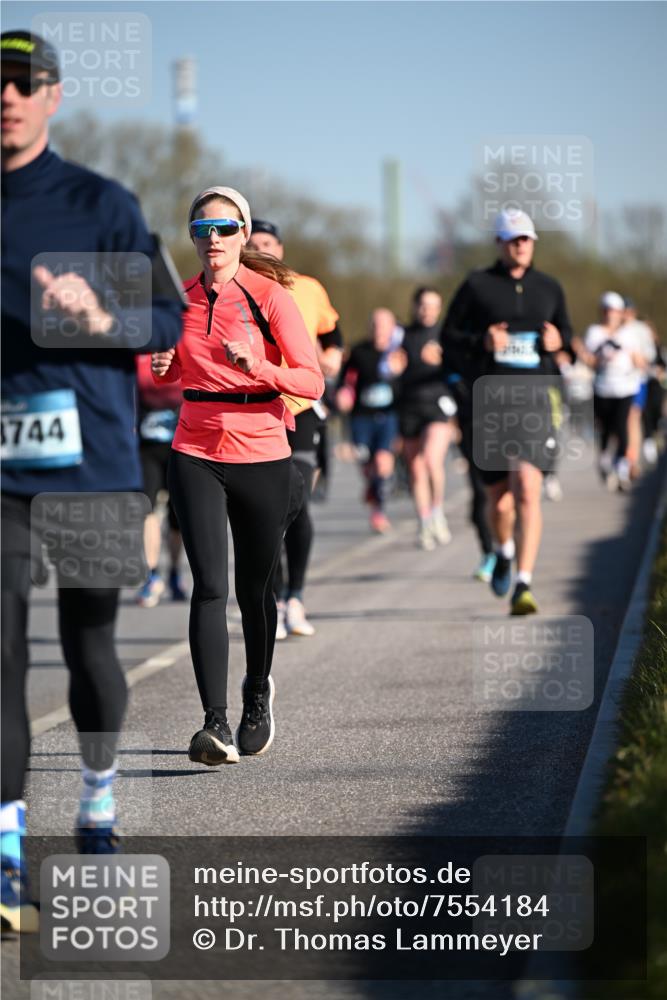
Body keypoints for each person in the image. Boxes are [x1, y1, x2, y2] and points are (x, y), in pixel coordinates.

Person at [1, 31, 183, 931]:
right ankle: (4, 850)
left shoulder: (98, 204)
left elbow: (169, 324)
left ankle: (99, 802)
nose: (8, 95)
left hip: (93, 465)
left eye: (24, 83)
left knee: (88, 648)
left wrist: (100, 311)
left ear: (54, 97)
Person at [151, 187, 323, 766]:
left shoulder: (270, 297)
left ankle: (256, 691)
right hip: (194, 448)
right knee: (209, 585)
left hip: (263, 450)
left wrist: (261, 365)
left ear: (243, 234)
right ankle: (215, 724)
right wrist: (162, 363)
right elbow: (170, 368)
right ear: (193, 239)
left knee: (255, 590)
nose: (214, 240)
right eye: (203, 230)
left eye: (225, 228)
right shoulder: (181, 301)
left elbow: (312, 381)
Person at [441, 208, 573, 615]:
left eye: (528, 239)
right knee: (498, 501)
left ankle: (524, 583)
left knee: (528, 488)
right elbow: (448, 336)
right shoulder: (477, 285)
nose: (522, 246)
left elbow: (567, 336)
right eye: (514, 239)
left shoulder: (549, 287)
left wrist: (557, 343)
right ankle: (502, 550)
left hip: (535, 400)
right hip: (490, 401)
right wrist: (482, 340)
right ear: (499, 243)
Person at [246, 219, 343, 639]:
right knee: (265, 512)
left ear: (281, 248)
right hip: (258, 410)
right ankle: (279, 597)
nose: (261, 250)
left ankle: (297, 597)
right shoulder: (236, 287)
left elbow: (333, 333)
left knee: (294, 499)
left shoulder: (307, 287)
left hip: (301, 406)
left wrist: (333, 356)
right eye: (253, 244)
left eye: (267, 243)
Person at [397, 287, 457, 550]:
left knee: (432, 460)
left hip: (438, 403)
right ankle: (423, 520)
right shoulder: (403, 336)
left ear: (440, 308)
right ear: (415, 306)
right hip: (410, 405)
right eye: (423, 305)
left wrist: (444, 361)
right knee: (416, 468)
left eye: (433, 305)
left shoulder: (447, 335)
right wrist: (392, 366)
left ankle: (437, 512)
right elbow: (391, 366)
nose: (428, 310)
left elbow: (460, 367)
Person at [336, 309, 406, 534]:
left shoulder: (398, 354)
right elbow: (344, 381)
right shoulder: (359, 351)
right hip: (361, 417)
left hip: (388, 416)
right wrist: (343, 394)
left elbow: (408, 386)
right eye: (375, 325)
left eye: (384, 325)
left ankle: (378, 513)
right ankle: (372, 486)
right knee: (367, 466)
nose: (379, 330)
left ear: (392, 328)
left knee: (383, 462)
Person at [578, 291, 648, 491]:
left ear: (620, 313)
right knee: (606, 429)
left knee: (622, 426)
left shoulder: (628, 334)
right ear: (602, 312)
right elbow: (588, 361)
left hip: (625, 387)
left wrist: (638, 362)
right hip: (603, 387)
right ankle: (605, 461)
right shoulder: (594, 332)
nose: (611, 315)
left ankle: (622, 467)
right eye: (607, 310)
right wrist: (600, 357)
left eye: (615, 311)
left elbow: (639, 360)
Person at [134, 354, 187, 607]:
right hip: (147, 447)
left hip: (182, 446)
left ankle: (175, 573)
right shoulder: (138, 354)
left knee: (177, 519)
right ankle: (152, 575)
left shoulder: (183, 346)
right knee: (148, 511)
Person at [621, 297, 656, 475]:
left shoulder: (640, 330)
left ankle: (631, 459)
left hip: (635, 381)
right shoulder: (615, 328)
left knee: (632, 418)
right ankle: (620, 456)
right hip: (614, 384)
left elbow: (649, 356)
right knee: (618, 422)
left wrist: (637, 359)